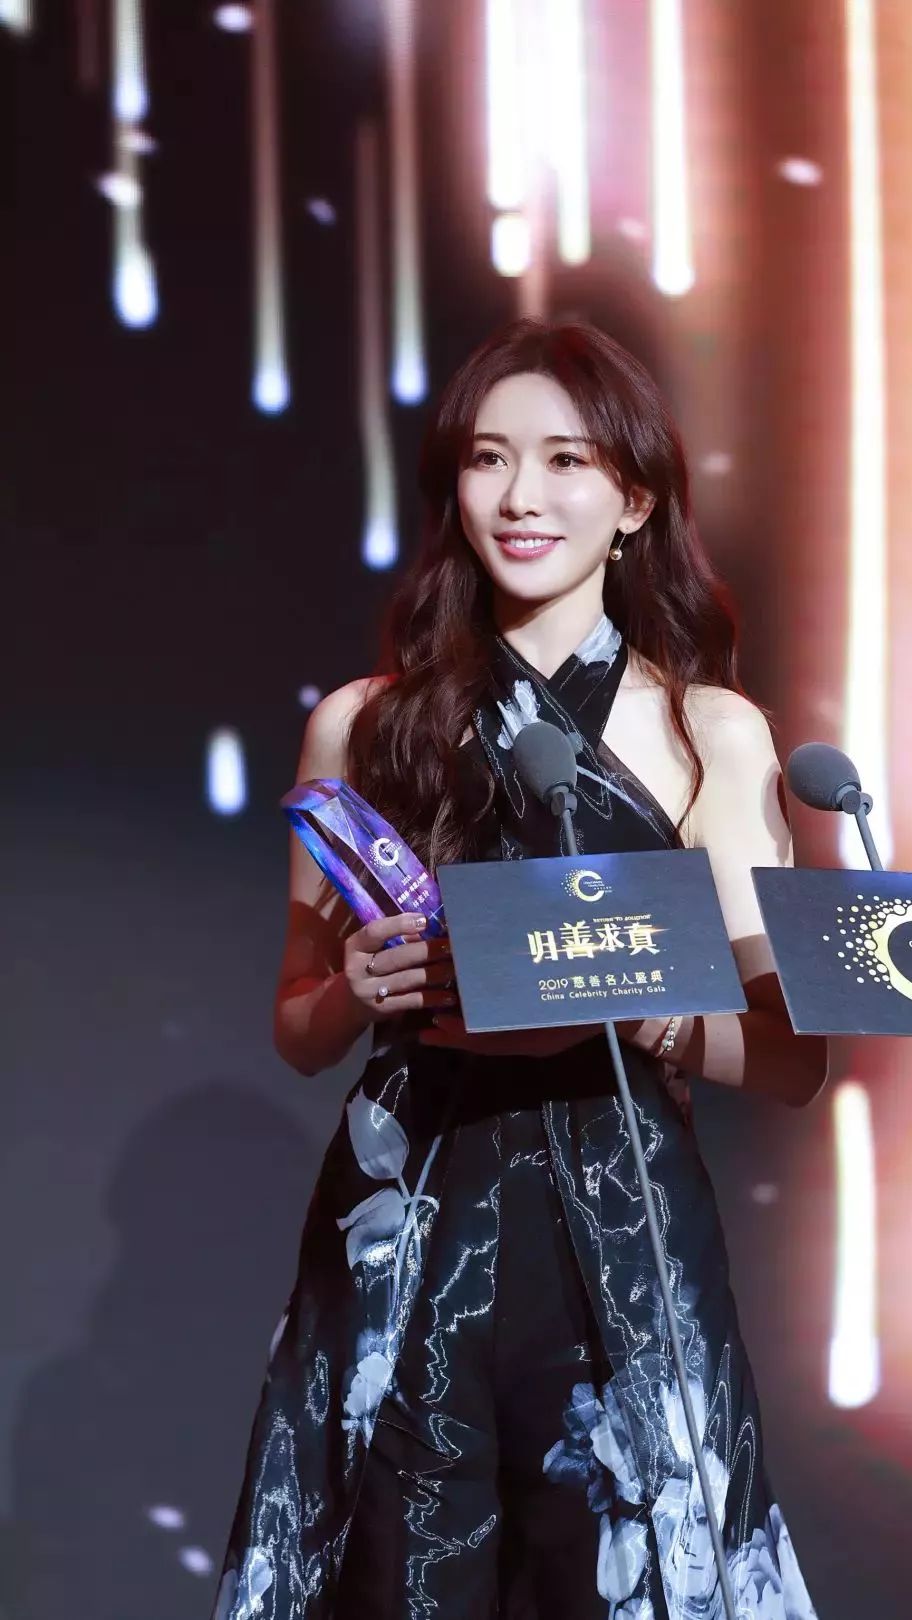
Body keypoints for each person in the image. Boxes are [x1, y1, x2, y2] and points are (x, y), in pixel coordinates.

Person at [213, 318, 827, 1620]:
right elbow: (298, 1026)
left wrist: (651, 1017)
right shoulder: (366, 724)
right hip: (409, 1221)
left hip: (623, 1224)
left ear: (634, 501)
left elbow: (790, 1059)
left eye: (565, 461)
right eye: (489, 459)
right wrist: (357, 989)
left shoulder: (706, 733)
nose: (520, 497)